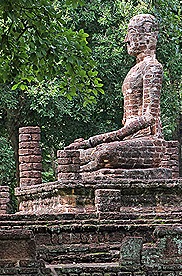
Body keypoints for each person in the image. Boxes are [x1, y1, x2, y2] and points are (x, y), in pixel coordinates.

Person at [65, 14, 165, 172]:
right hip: (128, 140)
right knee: (76, 156)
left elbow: (149, 117)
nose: (127, 39)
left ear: (148, 33)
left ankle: (89, 168)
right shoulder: (134, 70)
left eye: (131, 33)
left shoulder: (152, 67)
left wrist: (95, 140)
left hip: (149, 143)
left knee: (105, 153)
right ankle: (88, 166)